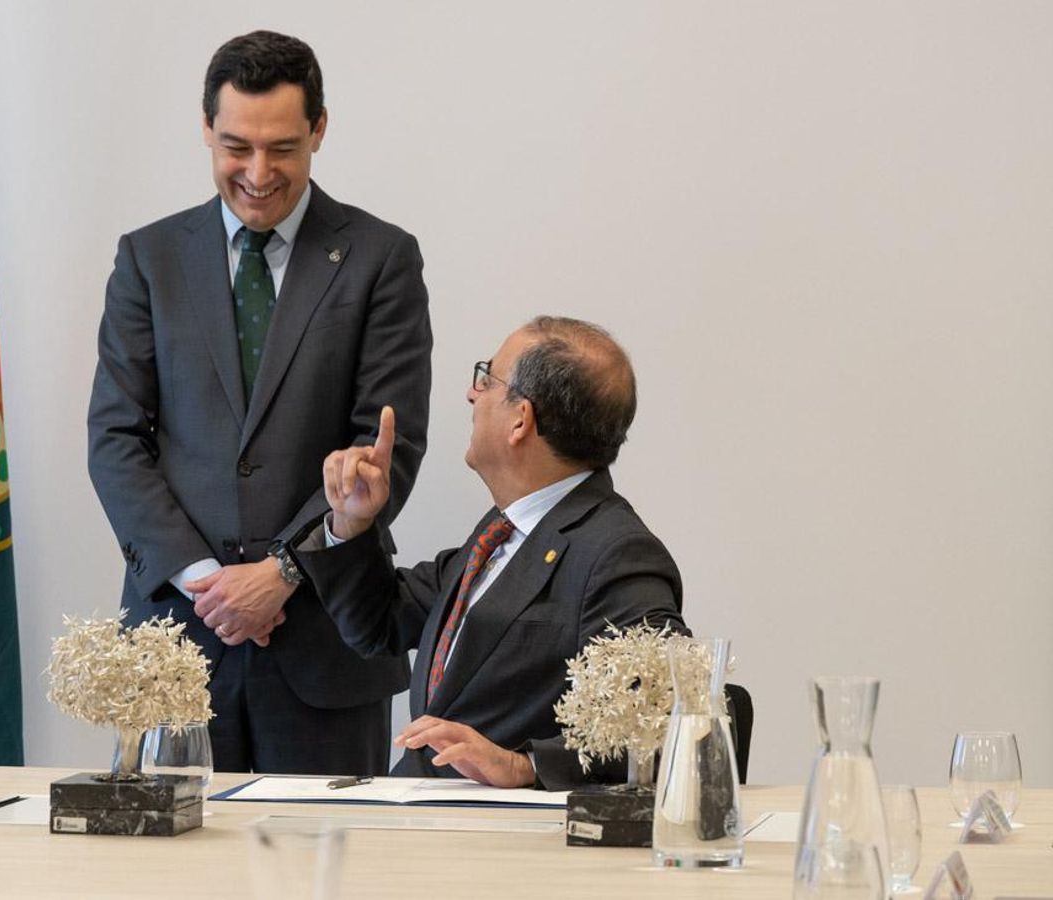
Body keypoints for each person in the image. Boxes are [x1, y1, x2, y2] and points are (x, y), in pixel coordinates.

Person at [87, 30, 432, 776]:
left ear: (319, 129)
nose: (257, 173)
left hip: (324, 647)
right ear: (206, 129)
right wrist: (206, 583)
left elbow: (384, 451)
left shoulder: (381, 259)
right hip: (175, 643)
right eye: (236, 147)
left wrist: (282, 572)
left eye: (282, 149)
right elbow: (116, 439)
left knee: (324, 853)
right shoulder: (148, 259)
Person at [294, 317, 683, 790]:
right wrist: (352, 523)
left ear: (521, 419)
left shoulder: (617, 554)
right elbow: (380, 623)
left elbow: (663, 721)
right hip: (420, 807)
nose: (471, 394)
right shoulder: (500, 532)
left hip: (497, 826)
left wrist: (525, 766)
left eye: (486, 378)